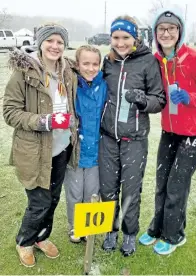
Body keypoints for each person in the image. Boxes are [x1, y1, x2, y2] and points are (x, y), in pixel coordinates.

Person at [139, 7, 196, 255]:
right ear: (155, 33)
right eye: (161, 29)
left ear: (179, 32)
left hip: (194, 134)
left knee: (177, 186)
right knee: (162, 182)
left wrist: (189, 97)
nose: (166, 33)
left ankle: (175, 235)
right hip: (169, 132)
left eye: (171, 29)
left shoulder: (194, 58)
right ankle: (156, 228)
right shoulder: (156, 60)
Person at [3, 23, 78, 267]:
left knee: (54, 198)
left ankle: (41, 237)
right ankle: (24, 241)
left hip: (61, 148)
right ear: (41, 42)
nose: (55, 46)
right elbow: (10, 112)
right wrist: (44, 121)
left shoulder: (67, 71)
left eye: (60, 42)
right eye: (50, 41)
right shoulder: (23, 71)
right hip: (34, 150)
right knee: (39, 201)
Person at [99, 15, 166, 257]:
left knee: (130, 190)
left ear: (135, 37)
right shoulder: (108, 62)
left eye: (125, 37)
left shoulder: (148, 62)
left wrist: (142, 100)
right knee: (107, 189)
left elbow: (159, 100)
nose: (120, 42)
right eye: (115, 37)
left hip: (134, 139)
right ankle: (110, 231)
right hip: (107, 138)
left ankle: (129, 233)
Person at [63, 45, 107, 243]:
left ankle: (88, 225)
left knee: (92, 192)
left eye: (95, 64)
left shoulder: (104, 85)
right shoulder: (71, 84)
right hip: (75, 151)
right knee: (74, 192)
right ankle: (75, 227)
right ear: (77, 64)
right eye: (86, 63)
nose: (91, 68)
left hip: (97, 151)